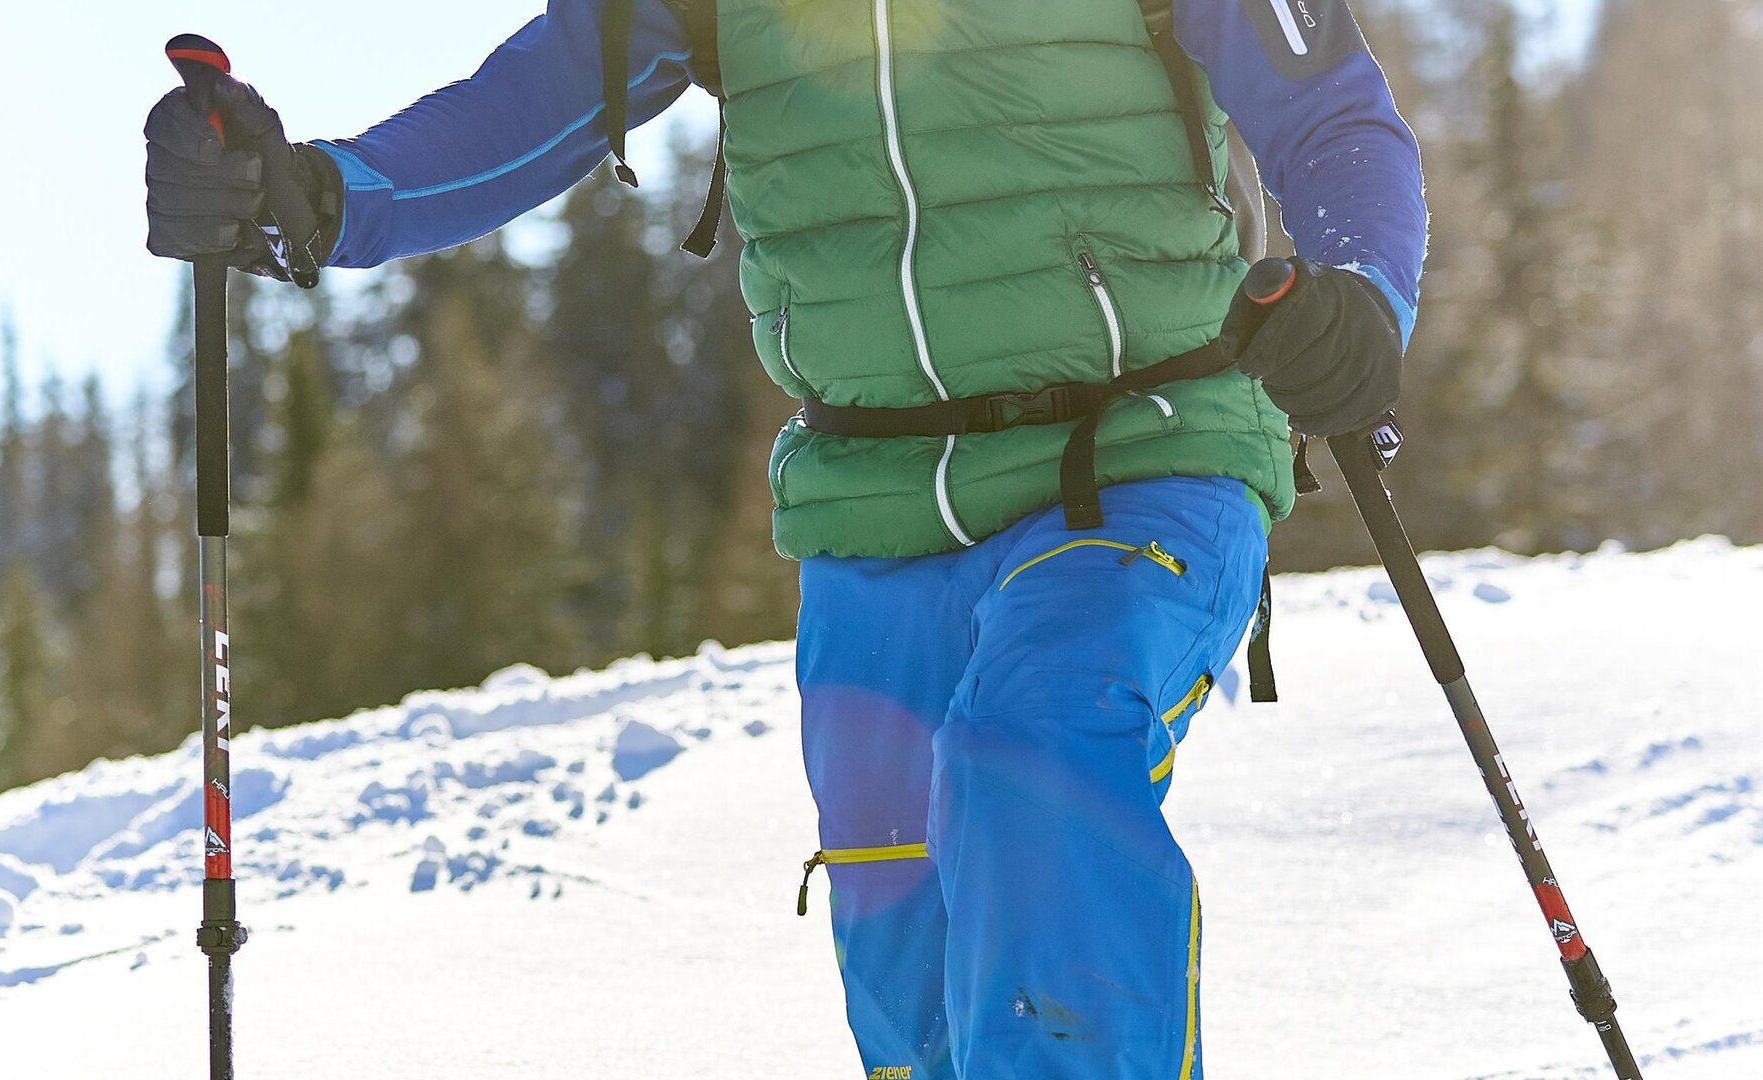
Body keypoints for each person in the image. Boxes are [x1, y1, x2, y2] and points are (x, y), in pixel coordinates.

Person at [144, 1, 1425, 1075]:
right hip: (873, 498)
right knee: (903, 938)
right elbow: (526, 110)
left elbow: (1335, 114)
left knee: (1031, 752)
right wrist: (311, 195)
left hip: (1149, 445)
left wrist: (1363, 297)